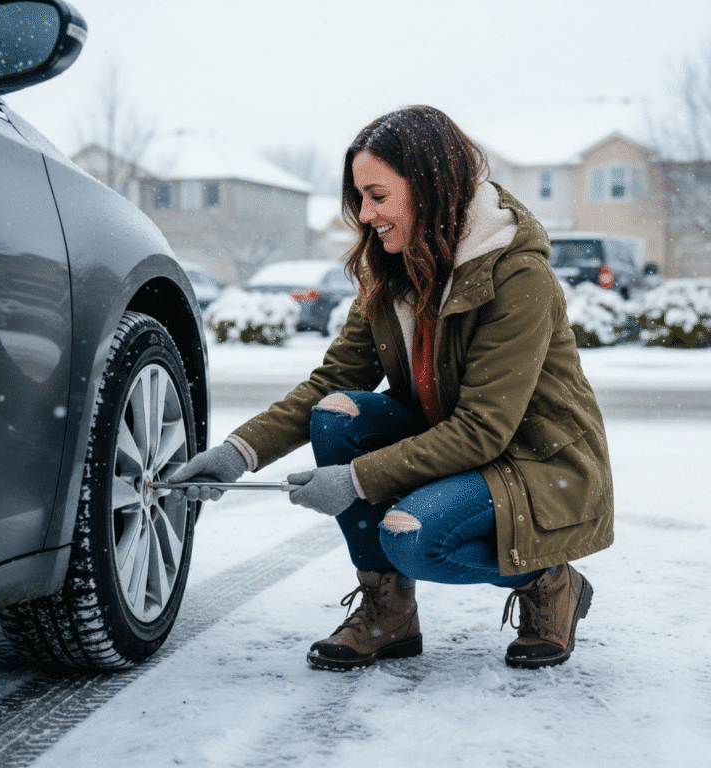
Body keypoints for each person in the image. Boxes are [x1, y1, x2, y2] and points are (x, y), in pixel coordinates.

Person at [171, 105, 614, 672]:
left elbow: (483, 429)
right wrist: (236, 453)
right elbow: (331, 383)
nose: (365, 214)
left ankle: (551, 581)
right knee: (337, 413)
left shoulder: (517, 276)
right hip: (450, 444)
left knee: (413, 538)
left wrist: (357, 480)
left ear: (430, 188)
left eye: (378, 196)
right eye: (359, 198)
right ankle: (389, 612)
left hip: (533, 462)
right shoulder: (392, 269)